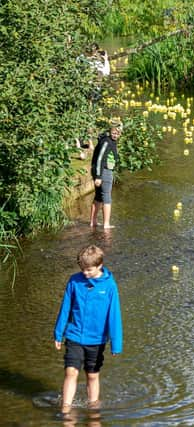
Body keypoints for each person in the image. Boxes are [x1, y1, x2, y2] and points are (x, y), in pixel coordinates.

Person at [53, 245, 123, 414]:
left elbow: (114, 315)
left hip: (97, 340)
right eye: (83, 269)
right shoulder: (74, 281)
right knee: (71, 372)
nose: (85, 273)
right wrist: (58, 333)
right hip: (74, 335)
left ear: (100, 265)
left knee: (92, 375)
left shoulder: (109, 286)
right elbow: (65, 308)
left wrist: (116, 343)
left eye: (89, 270)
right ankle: (66, 410)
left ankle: (93, 410)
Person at [90, 118, 121, 228]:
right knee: (107, 196)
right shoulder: (107, 142)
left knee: (98, 196)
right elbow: (100, 159)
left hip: (101, 170)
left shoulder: (107, 140)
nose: (115, 135)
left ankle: (93, 222)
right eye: (114, 133)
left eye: (118, 133)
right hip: (104, 171)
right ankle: (106, 224)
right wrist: (98, 176)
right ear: (110, 131)